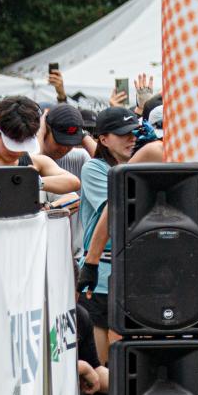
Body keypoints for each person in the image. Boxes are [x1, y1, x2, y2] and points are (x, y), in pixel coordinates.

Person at [74, 106, 144, 356]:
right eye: (123, 134)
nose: (131, 138)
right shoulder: (94, 168)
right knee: (102, 365)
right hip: (100, 280)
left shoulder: (143, 167)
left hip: (137, 278)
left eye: (134, 132)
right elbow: (116, 212)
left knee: (134, 361)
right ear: (103, 139)